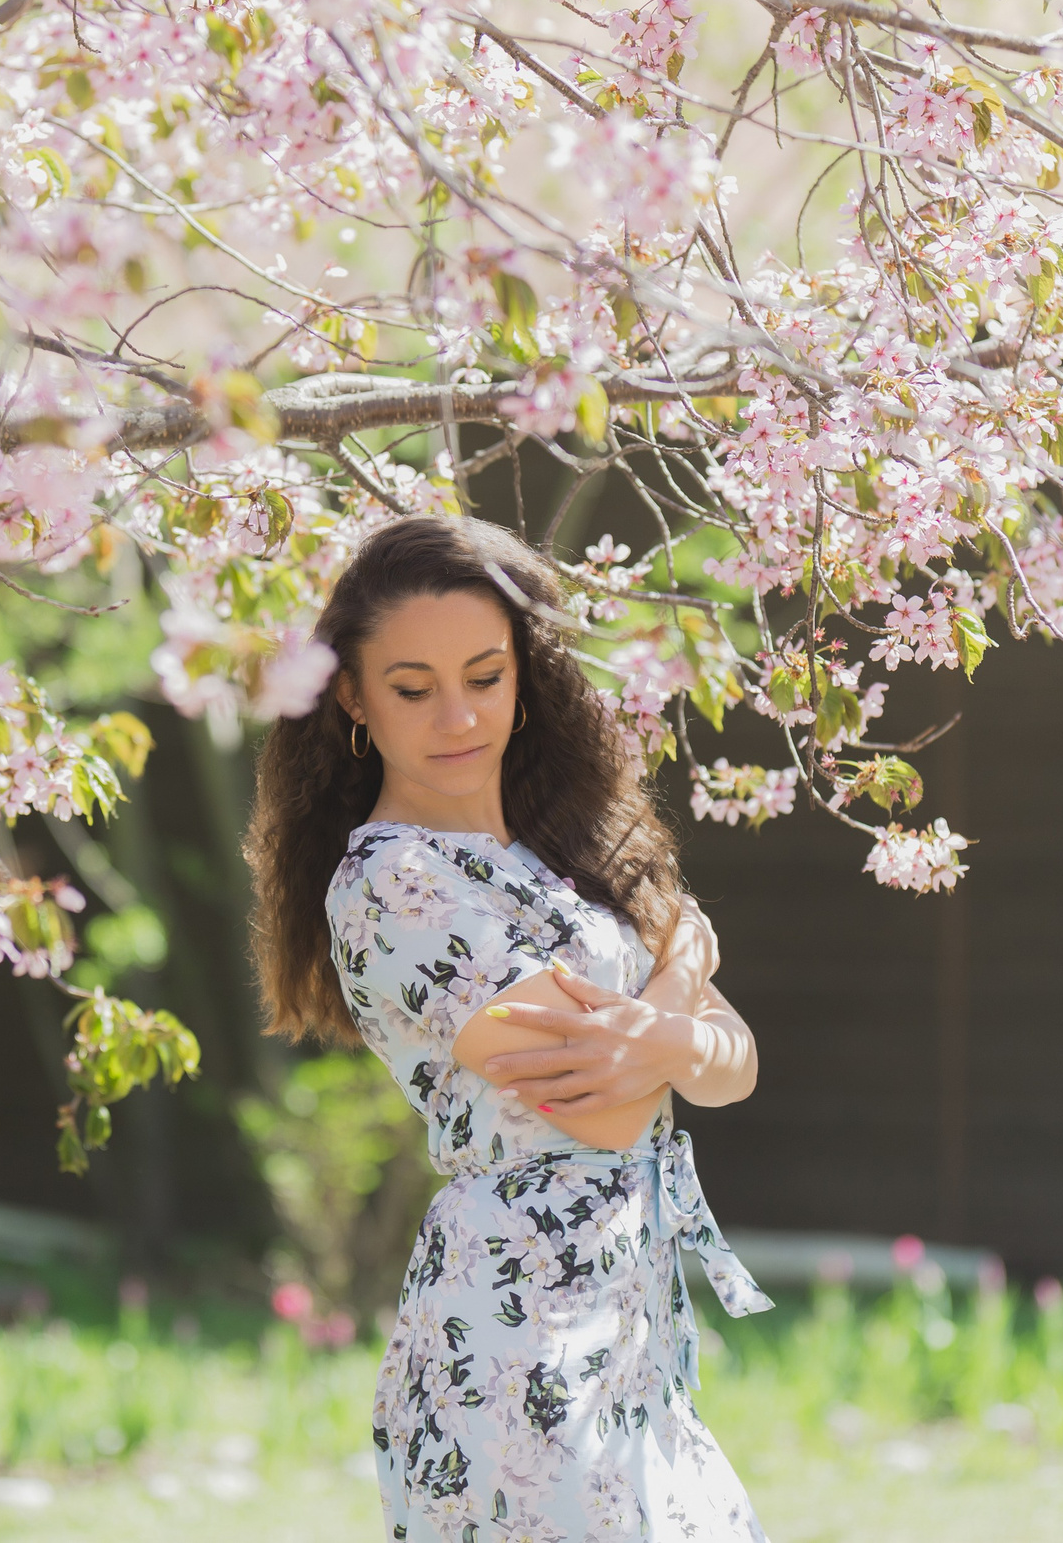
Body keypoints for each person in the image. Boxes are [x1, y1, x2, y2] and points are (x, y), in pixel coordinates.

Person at [246, 513, 772, 1542]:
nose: (458, 715)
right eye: (412, 687)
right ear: (351, 695)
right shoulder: (393, 882)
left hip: (631, 1325)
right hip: (516, 1331)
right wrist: (682, 977)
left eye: (485, 676)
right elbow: (608, 1119)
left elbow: (734, 1067)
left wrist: (662, 1035)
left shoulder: (570, 848)